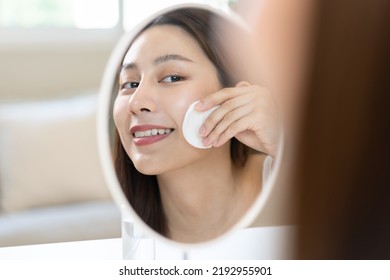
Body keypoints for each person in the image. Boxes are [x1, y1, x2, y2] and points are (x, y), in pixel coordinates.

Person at [112, 7, 280, 243]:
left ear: (235, 96)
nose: (137, 102)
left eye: (172, 78)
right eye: (130, 84)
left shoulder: (284, 183)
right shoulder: (123, 228)